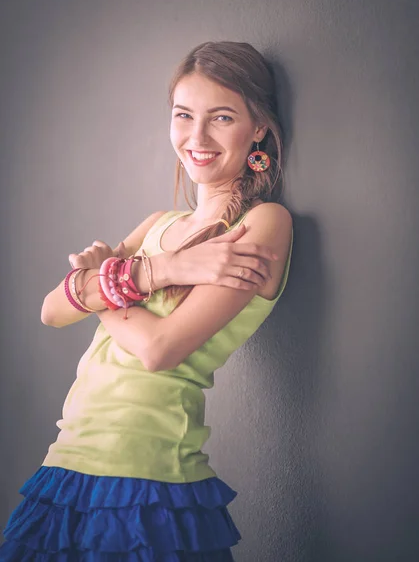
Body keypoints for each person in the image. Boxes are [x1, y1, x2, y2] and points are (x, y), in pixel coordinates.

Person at [0, 41, 293, 561]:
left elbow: (158, 349)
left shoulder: (263, 223)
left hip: (146, 473)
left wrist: (105, 278)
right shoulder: (159, 226)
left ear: (259, 128)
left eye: (221, 117)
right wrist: (162, 269)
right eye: (184, 115)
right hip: (67, 462)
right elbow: (51, 310)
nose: (196, 137)